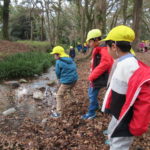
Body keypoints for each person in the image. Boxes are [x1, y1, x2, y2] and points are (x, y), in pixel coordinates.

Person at [101, 25, 150, 150]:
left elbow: (144, 99)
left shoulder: (131, 67)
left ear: (114, 46)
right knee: (114, 138)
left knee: (119, 146)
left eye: (107, 46)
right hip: (119, 114)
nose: (106, 49)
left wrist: (137, 126)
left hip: (125, 119)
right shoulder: (121, 62)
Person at [81, 29, 113, 120]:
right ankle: (95, 107)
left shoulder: (103, 49)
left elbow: (105, 63)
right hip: (97, 76)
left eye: (90, 41)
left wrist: (92, 75)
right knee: (91, 93)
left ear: (96, 40)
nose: (88, 43)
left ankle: (91, 113)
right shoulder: (99, 48)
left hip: (99, 77)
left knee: (91, 94)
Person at [50, 46, 78, 118]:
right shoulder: (70, 59)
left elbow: (57, 73)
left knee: (59, 95)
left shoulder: (58, 62)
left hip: (67, 82)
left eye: (54, 54)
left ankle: (58, 113)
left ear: (58, 54)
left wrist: (59, 79)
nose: (54, 56)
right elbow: (74, 67)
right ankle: (75, 101)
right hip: (74, 80)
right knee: (69, 89)